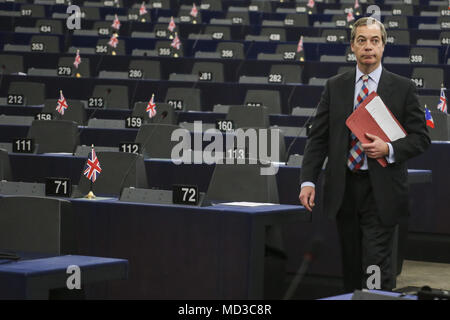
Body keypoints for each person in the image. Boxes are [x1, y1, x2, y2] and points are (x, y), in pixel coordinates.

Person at [299, 17, 430, 291]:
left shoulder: (404, 88)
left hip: (381, 191)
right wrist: (308, 180)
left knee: (374, 263)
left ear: (383, 47)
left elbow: (421, 139)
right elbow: (318, 138)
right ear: (352, 47)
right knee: (351, 262)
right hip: (343, 189)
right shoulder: (335, 86)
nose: (368, 47)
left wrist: (390, 149)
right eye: (362, 41)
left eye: (374, 41)